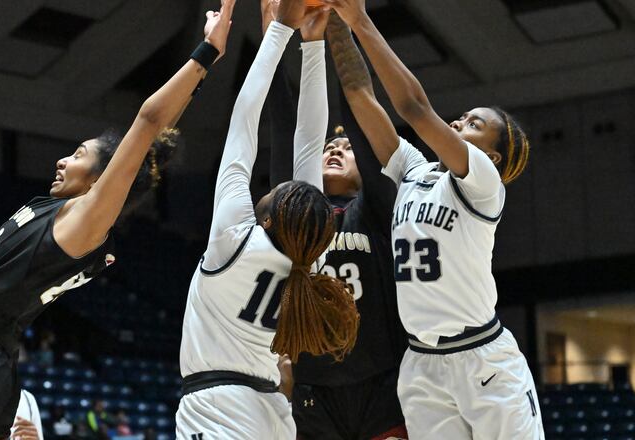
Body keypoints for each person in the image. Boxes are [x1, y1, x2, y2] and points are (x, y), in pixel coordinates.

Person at [0, 3, 236, 439]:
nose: (63, 160)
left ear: (103, 176)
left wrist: (207, 52)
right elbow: (153, 136)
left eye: (79, 154)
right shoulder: (71, 215)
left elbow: (147, 120)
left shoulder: (85, 219)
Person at [320, 0, 540, 438]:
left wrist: (361, 19)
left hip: (481, 357)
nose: (459, 121)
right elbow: (362, 97)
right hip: (421, 362)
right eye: (463, 116)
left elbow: (415, 109)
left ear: (491, 155)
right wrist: (335, 22)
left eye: (474, 123)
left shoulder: (482, 185)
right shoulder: (415, 172)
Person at [175, 1, 359, 438]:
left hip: (220, 408)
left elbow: (249, 123)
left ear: (273, 218)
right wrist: (311, 45)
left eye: (273, 193)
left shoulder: (238, 242)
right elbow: (307, 147)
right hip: (270, 411)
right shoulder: (305, 264)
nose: (270, 186)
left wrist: (281, 33)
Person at [262, 4, 408, 437]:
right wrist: (274, 31)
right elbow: (281, 122)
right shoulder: (298, 216)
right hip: (312, 388)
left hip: (381, 382)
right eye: (327, 146)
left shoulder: (377, 207)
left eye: (344, 149)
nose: (333, 149)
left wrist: (339, 25)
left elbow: (362, 120)